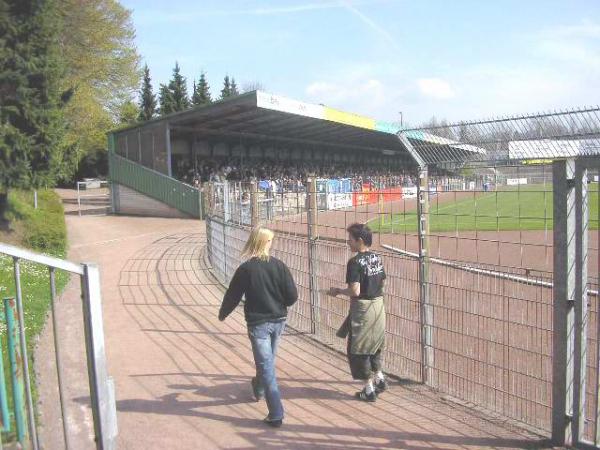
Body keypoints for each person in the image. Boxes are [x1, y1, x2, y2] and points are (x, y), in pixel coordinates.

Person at [218, 227, 298, 427]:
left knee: (267, 366)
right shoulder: (279, 266)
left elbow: (232, 295)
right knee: (267, 364)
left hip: (258, 323)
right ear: (266, 243)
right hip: (278, 320)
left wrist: (223, 313)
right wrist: (279, 303)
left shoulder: (246, 269)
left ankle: (273, 409)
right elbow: (292, 296)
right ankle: (269, 401)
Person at [328, 223, 387, 402]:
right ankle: (380, 378)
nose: (348, 242)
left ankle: (369, 390)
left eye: (351, 239)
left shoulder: (354, 262)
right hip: (378, 307)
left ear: (359, 241)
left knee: (358, 349)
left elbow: (354, 290)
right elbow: (383, 282)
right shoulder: (377, 257)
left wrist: (338, 291)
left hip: (363, 310)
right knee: (375, 344)